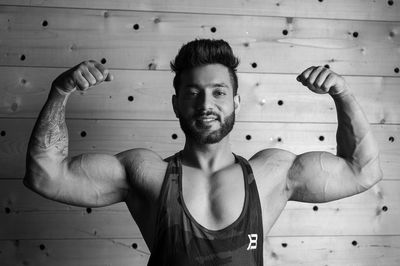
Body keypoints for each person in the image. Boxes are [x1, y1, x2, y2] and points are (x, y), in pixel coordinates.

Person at [24, 39, 382, 265]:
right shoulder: (146, 173)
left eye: (219, 92)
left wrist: (343, 93)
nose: (206, 103)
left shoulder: (273, 174)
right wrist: (61, 91)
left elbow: (362, 171)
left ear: (236, 101)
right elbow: (46, 176)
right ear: (177, 104)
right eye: (193, 93)